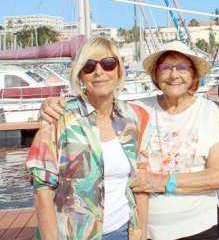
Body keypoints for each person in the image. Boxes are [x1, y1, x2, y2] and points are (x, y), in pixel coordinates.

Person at [39, 41, 219, 240]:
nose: (174, 75)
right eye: (166, 68)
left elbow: (217, 177)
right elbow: (101, 103)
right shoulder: (137, 111)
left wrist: (162, 182)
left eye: (182, 67)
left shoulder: (208, 111)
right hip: (146, 230)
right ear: (156, 75)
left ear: (194, 75)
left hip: (197, 227)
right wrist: (50, 105)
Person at [26, 37, 141, 239]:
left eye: (108, 64)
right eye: (89, 67)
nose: (99, 72)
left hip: (122, 231)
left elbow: (135, 181)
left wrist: (138, 228)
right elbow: (42, 190)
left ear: (119, 70)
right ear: (80, 75)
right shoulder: (59, 119)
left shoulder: (130, 118)